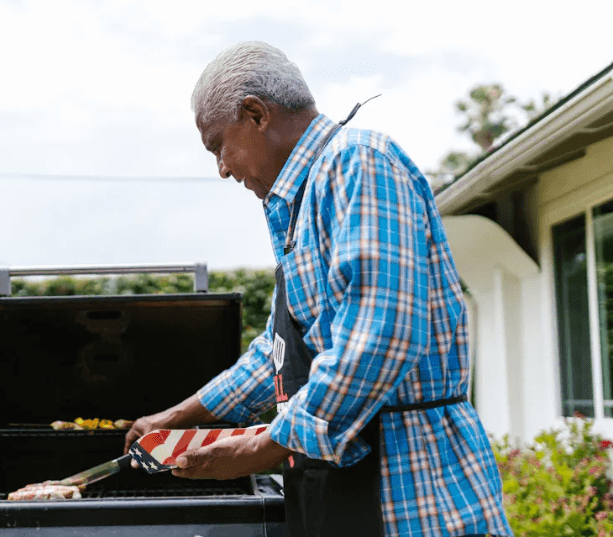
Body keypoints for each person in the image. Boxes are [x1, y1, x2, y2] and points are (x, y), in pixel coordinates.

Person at [123, 41, 512, 537]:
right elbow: (280, 352)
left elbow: (382, 335)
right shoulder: (298, 202)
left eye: (219, 145)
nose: (222, 168)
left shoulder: (359, 164)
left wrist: (262, 448)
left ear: (256, 114)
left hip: (416, 493)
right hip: (344, 489)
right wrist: (181, 416)